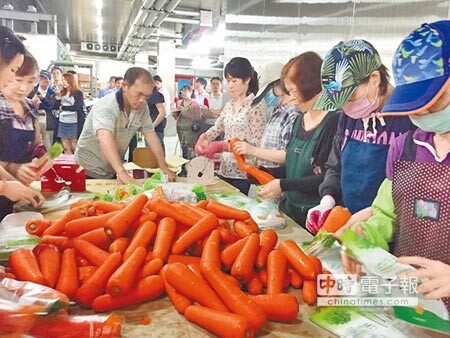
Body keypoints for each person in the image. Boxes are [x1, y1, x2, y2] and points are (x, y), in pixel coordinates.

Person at [339, 20, 450, 313]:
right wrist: (364, 236)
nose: (422, 111)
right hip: (411, 304)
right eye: (415, 101)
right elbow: (386, 213)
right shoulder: (404, 146)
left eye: (435, 100)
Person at [306, 39, 413, 233]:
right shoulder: (349, 117)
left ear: (375, 78)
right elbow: (335, 165)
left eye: (351, 97)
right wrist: (327, 198)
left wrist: (372, 219)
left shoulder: (409, 120)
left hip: (388, 230)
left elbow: (408, 189)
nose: (347, 107)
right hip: (347, 221)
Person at [247, 52, 339, 227]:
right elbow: (294, 165)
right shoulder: (299, 120)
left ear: (312, 86)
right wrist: (263, 172)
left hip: (315, 216)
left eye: (295, 92)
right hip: (290, 211)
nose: (293, 99)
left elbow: (326, 177)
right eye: (289, 92)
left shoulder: (333, 122)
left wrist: (283, 184)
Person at [74, 67, 176, 183]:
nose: (143, 100)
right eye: (139, 94)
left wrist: (163, 166)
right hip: (86, 170)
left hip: (110, 169)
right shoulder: (107, 106)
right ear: (124, 86)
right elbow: (104, 136)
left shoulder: (142, 107)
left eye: (147, 96)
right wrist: (121, 171)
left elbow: (151, 135)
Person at [195, 57, 266, 194]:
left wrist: (224, 146)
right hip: (225, 169)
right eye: (228, 81)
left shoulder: (255, 106)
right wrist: (203, 140)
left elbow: (257, 143)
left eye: (234, 80)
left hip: (244, 174)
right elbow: (217, 128)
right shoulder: (229, 105)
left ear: (247, 80)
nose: (230, 85)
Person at [0, 49, 45, 219]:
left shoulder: (30, 106)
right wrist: (13, 175)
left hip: (19, 190)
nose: (23, 88)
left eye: (30, 81)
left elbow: (38, 144)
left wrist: (39, 161)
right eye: (18, 80)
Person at [233, 78, 297, 179]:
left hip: (278, 182)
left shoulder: (292, 113)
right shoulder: (276, 111)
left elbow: (288, 155)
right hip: (265, 179)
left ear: (280, 85)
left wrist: (253, 151)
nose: (267, 97)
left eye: (268, 91)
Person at [174, 85, 206, 162]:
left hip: (191, 131)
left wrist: (187, 115)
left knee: (191, 150)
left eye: (186, 91)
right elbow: (178, 116)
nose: (183, 93)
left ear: (191, 92)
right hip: (180, 129)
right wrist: (175, 115)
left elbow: (198, 119)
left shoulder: (195, 104)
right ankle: (183, 168)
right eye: (182, 91)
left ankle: (192, 167)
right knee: (183, 149)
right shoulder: (179, 103)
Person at [55, 72, 84, 154]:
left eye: (64, 80)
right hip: (62, 121)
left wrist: (63, 108)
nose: (63, 82)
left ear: (70, 81)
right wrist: (58, 97)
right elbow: (56, 106)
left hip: (73, 122)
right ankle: (69, 163)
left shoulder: (78, 93)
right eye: (62, 80)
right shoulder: (62, 93)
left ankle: (77, 163)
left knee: (74, 144)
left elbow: (76, 107)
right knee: (65, 145)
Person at [28, 70, 57, 149]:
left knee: (47, 144)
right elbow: (27, 104)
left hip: (47, 121)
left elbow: (50, 106)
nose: (43, 80)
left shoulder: (52, 93)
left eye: (46, 78)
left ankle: (48, 161)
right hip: (33, 120)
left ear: (49, 80)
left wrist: (42, 99)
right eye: (41, 78)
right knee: (33, 144)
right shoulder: (31, 90)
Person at [147, 82, 166, 150]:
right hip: (149, 127)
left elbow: (162, 113)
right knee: (150, 151)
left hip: (156, 128)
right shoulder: (148, 95)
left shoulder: (156, 95)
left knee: (157, 150)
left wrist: (153, 125)